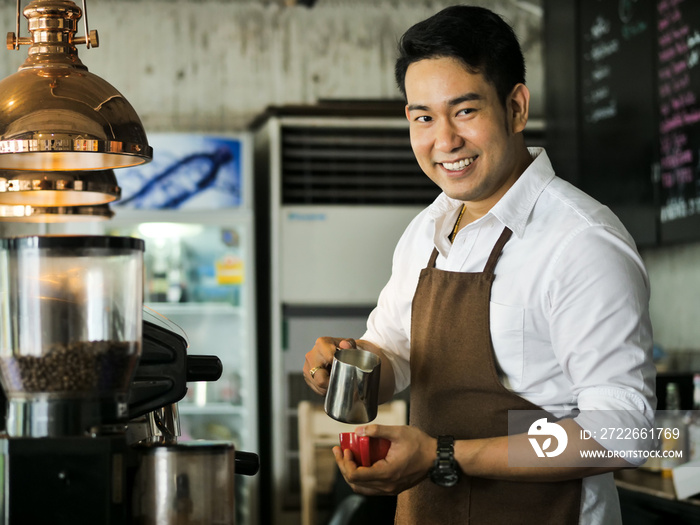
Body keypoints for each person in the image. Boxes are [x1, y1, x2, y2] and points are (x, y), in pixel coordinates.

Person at [303, 5, 656, 525]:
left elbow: (630, 431)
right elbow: (395, 355)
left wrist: (444, 455)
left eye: (464, 111)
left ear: (516, 108)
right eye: (424, 117)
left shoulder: (582, 242)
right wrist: (347, 368)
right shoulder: (428, 229)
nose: (443, 141)